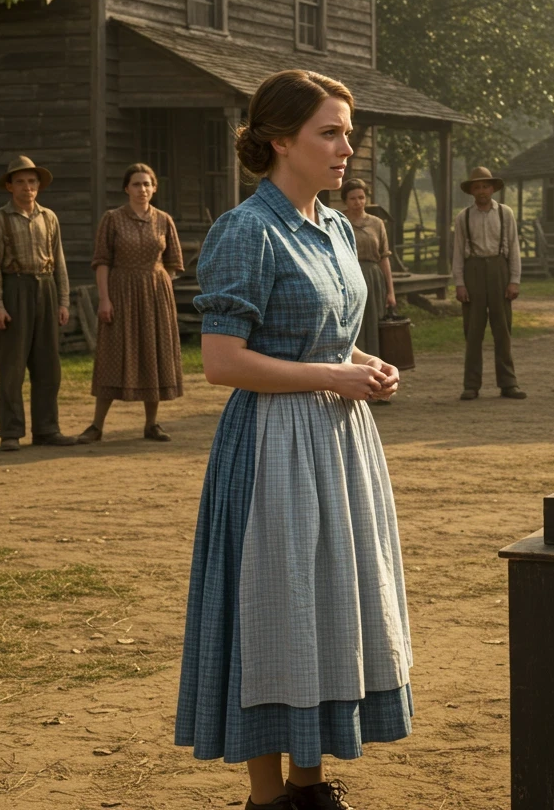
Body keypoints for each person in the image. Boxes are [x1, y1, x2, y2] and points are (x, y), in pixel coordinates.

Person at [175, 70, 413, 810]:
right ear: (282, 140)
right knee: (275, 602)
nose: (348, 148)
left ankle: (310, 787)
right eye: (331, 133)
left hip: (339, 444)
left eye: (348, 133)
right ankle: (266, 797)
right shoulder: (246, 229)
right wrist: (331, 378)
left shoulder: (337, 226)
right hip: (274, 444)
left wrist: (368, 364)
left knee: (326, 602)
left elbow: (331, 337)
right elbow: (222, 362)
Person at [76, 164, 185, 444]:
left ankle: (151, 424)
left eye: (147, 184)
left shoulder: (163, 220)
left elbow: (173, 263)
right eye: (136, 184)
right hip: (121, 293)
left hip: (155, 294)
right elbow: (102, 261)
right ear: (126, 188)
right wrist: (105, 299)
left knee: (153, 354)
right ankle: (96, 426)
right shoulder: (112, 219)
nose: (142, 189)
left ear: (154, 188)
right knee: (113, 354)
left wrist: (160, 289)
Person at [0, 156, 76, 451]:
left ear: (39, 186)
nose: (27, 187)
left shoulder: (49, 217)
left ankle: (47, 429)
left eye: (32, 181)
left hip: (45, 287)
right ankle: (11, 431)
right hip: (14, 288)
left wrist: (62, 301)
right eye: (20, 181)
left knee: (48, 365)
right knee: (12, 367)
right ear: (10, 186)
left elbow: (59, 261)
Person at [451, 166, 526, 401]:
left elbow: (514, 248)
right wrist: (460, 283)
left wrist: (514, 280)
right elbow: (457, 254)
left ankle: (508, 383)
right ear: (471, 191)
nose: (482, 191)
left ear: (492, 188)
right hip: (473, 270)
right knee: (473, 331)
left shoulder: (505, 213)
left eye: (485, 186)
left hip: (499, 269)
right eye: (477, 187)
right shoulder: (463, 217)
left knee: (502, 329)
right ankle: (471, 385)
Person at [340, 178, 397, 364]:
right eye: (352, 198)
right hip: (347, 277)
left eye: (361, 197)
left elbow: (384, 257)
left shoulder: (377, 223)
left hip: (373, 278)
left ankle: (374, 373)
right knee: (351, 325)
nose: (358, 202)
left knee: (373, 325)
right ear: (345, 201)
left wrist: (390, 292)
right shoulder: (338, 222)